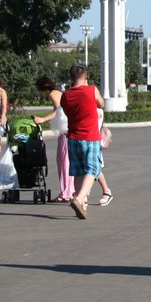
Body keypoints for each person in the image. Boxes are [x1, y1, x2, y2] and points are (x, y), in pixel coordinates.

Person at [61, 65, 105, 220]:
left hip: (73, 137)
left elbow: (67, 112)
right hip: (90, 136)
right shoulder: (91, 90)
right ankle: (79, 199)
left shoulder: (65, 95)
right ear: (85, 77)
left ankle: (82, 205)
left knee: (78, 171)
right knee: (92, 169)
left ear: (71, 78)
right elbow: (101, 104)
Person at [34, 77, 72, 202]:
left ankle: (65, 192)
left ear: (44, 88)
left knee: (63, 162)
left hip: (65, 131)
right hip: (67, 130)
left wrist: (43, 119)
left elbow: (59, 111)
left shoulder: (53, 95)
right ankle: (68, 190)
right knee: (65, 161)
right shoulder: (58, 92)